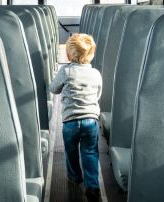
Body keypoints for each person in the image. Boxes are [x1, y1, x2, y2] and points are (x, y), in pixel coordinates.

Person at [49, 33, 102, 201]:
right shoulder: (95, 73)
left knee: (71, 151)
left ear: (68, 55)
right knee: (90, 152)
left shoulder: (66, 71)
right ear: (91, 54)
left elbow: (54, 88)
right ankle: (92, 185)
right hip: (91, 121)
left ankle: (74, 177)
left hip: (70, 122)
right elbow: (98, 94)